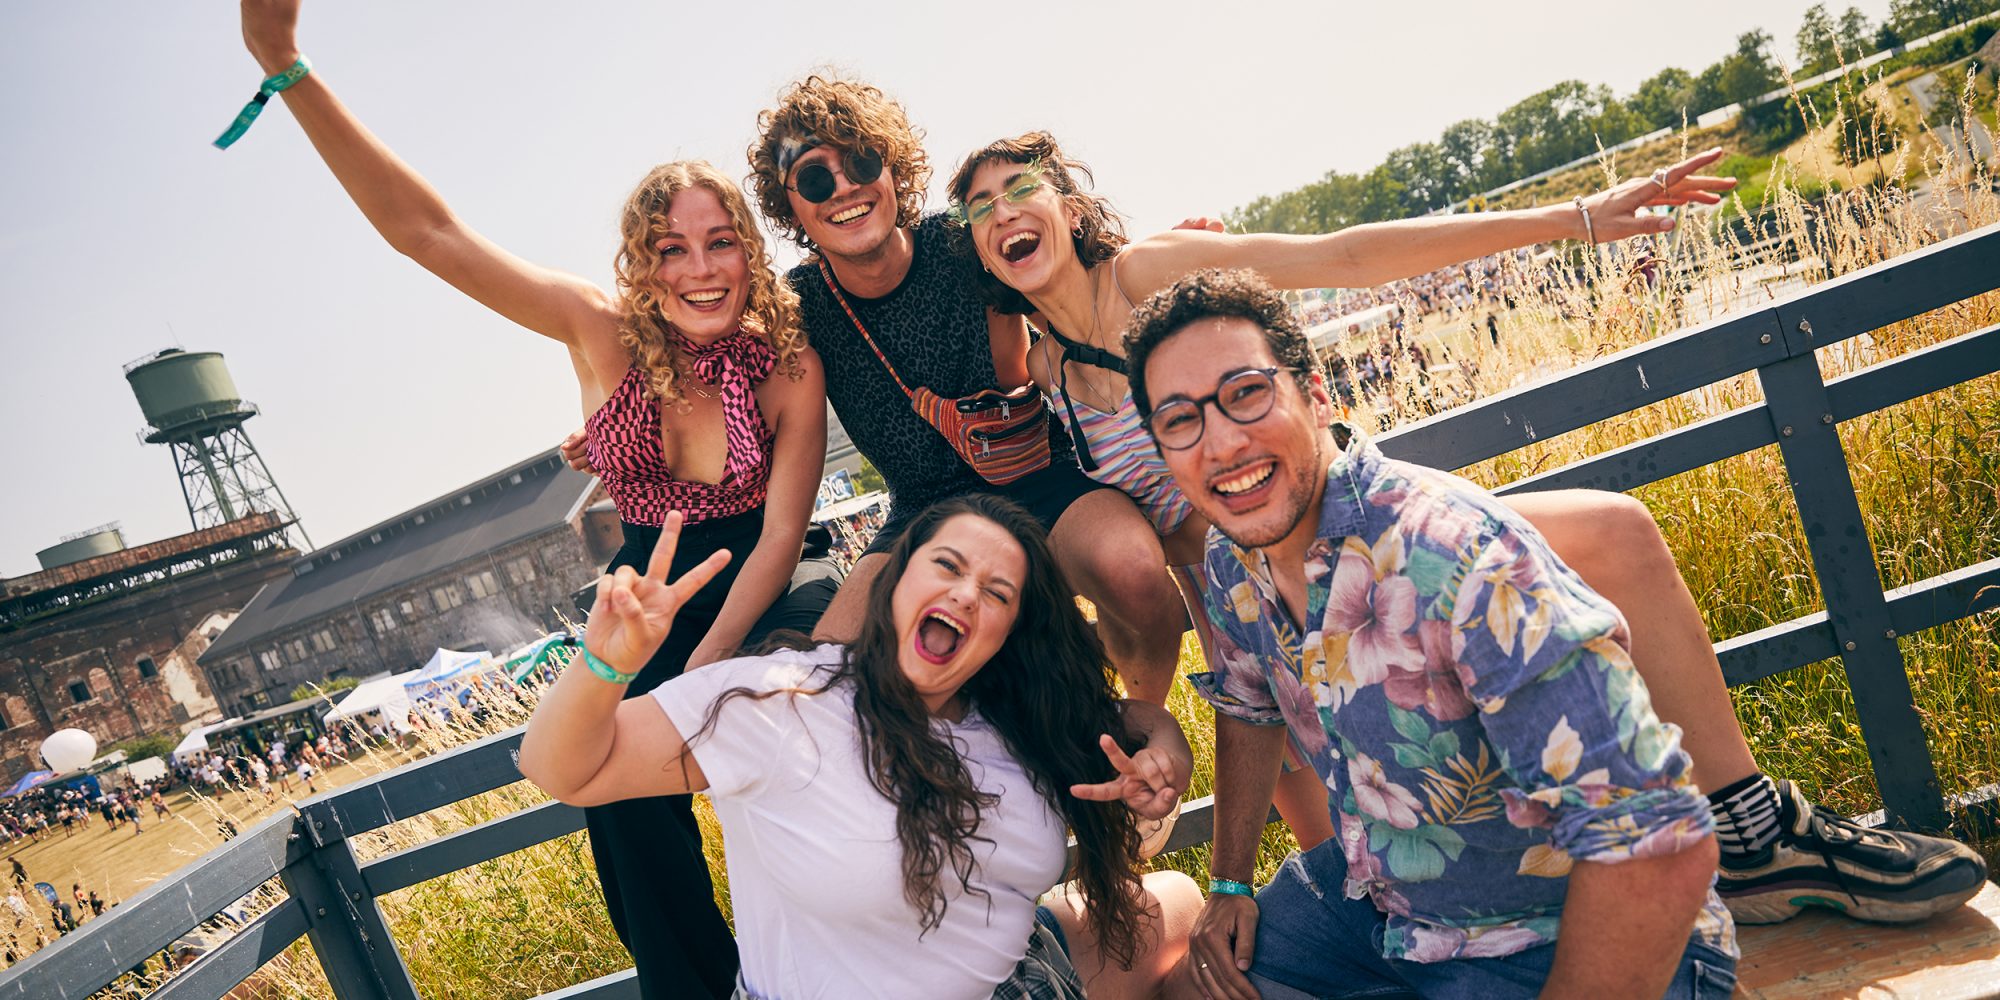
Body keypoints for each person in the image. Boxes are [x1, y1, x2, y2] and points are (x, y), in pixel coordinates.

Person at [947, 133, 1986, 929]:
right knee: (1336, 843)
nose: (1003, 212)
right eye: (980, 207)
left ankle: (1753, 835)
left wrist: (1578, 217)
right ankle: (1378, 935)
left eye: (1018, 187)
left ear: (1066, 201)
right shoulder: (1037, 368)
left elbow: (1344, 255)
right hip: (1248, 610)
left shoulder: (1154, 275)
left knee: (1615, 534)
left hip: (1366, 541)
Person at [1122, 268, 1990, 998]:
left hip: (1541, 936)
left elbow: (1660, 842)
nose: (1222, 443)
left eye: (1244, 394)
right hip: (1388, 905)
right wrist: (1229, 878)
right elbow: (1245, 703)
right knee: (1189, 988)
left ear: (1314, 394)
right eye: (1181, 420)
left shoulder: (1454, 560)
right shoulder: (1235, 561)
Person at [236, 3, 831, 993]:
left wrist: (712, 664)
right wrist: (283, 63)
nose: (697, 268)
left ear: (748, 253)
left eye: (719, 243)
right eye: (669, 249)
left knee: (799, 743)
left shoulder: (786, 362)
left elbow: (780, 532)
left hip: (764, 590)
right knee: (621, 804)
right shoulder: (595, 328)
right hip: (642, 595)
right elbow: (427, 233)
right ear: (638, 267)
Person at [521, 499, 1206, 999]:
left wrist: (1165, 748)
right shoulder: (781, 703)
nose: (966, 594)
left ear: (1009, 632)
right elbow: (558, 768)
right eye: (947, 565)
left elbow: (1130, 746)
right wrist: (605, 665)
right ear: (894, 580)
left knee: (1183, 906)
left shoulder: (1016, 720)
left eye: (997, 592)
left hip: (1020, 983)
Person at [742, 76, 1189, 705]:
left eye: (862, 162)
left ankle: (1135, 752)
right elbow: (713, 374)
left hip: (1034, 474)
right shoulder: (796, 306)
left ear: (893, 169)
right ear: (790, 206)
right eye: (816, 179)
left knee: (1136, 574)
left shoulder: (963, 242)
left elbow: (1074, 274)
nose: (844, 188)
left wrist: (1182, 258)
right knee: (832, 681)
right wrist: (608, 427)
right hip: (921, 512)